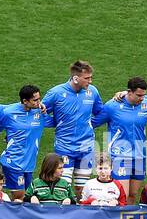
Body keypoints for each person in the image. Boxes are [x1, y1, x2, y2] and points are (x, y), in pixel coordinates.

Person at [42, 60, 103, 194]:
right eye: (87, 78)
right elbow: (40, 112)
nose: (90, 81)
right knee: (63, 188)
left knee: (82, 189)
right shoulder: (56, 93)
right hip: (65, 147)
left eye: (91, 77)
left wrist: (91, 124)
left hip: (86, 147)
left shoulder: (92, 92)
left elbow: (101, 112)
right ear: (76, 78)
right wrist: (55, 122)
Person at [94, 76, 147, 202]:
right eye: (138, 95)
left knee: (133, 194)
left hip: (139, 156)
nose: (141, 98)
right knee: (123, 195)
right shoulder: (112, 106)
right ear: (129, 92)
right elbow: (94, 122)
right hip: (119, 156)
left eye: (143, 95)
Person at [0, 85, 53, 200]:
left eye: (39, 99)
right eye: (35, 100)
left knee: (26, 196)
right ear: (25, 101)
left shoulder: (40, 112)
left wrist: (45, 112)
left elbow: (52, 123)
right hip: (13, 161)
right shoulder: (8, 112)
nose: (38, 102)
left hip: (29, 162)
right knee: (19, 196)